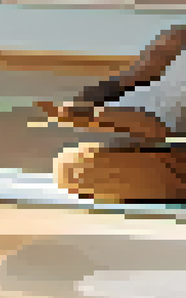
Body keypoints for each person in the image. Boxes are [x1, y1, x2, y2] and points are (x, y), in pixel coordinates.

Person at [43, 25, 186, 203]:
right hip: (138, 144)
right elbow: (129, 78)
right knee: (71, 165)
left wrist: (139, 123)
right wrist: (86, 105)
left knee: (82, 169)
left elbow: (162, 132)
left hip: (169, 152)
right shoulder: (177, 38)